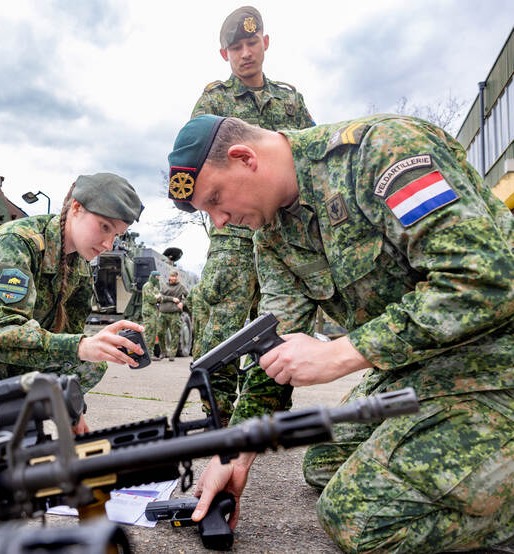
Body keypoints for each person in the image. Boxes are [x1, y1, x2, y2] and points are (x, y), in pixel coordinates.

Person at [166, 114, 514, 552]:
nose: (219, 221)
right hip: (424, 366)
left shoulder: (381, 151)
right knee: (324, 463)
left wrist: (342, 353)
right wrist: (236, 449)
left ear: (244, 158)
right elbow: (274, 341)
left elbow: (484, 281)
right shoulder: (272, 235)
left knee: (358, 520)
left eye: (216, 199)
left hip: (496, 358)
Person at [0, 173, 146, 444]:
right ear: (76, 208)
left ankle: (12, 415)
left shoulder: (79, 266)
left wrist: (73, 409)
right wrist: (82, 346)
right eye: (104, 227)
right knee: (3, 441)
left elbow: (65, 342)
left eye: (116, 234)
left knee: (91, 364)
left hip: (10, 359)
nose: (108, 244)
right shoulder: (18, 242)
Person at [190, 5, 314, 424]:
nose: (245, 53)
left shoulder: (290, 100)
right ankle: (218, 411)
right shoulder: (214, 100)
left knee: (279, 321)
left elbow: (306, 154)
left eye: (251, 42)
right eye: (236, 47)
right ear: (224, 54)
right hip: (235, 238)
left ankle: (265, 408)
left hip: (282, 230)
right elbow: (198, 166)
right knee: (224, 320)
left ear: (265, 42)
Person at [156, 269, 188, 361]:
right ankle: (163, 352)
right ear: (169, 277)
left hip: (174, 313)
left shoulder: (181, 287)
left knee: (175, 334)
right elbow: (159, 297)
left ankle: (172, 354)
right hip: (163, 312)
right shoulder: (164, 286)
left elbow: (188, 297)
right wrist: (172, 299)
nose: (173, 278)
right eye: (172, 276)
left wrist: (182, 303)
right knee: (160, 333)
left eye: (175, 276)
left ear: (177, 277)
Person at [140, 270, 161, 358]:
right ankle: (146, 354)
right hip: (148, 312)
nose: (158, 279)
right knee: (148, 333)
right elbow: (151, 299)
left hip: (154, 313)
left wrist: (157, 297)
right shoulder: (147, 286)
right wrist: (156, 297)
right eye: (157, 277)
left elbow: (160, 298)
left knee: (153, 333)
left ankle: (150, 354)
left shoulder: (155, 287)